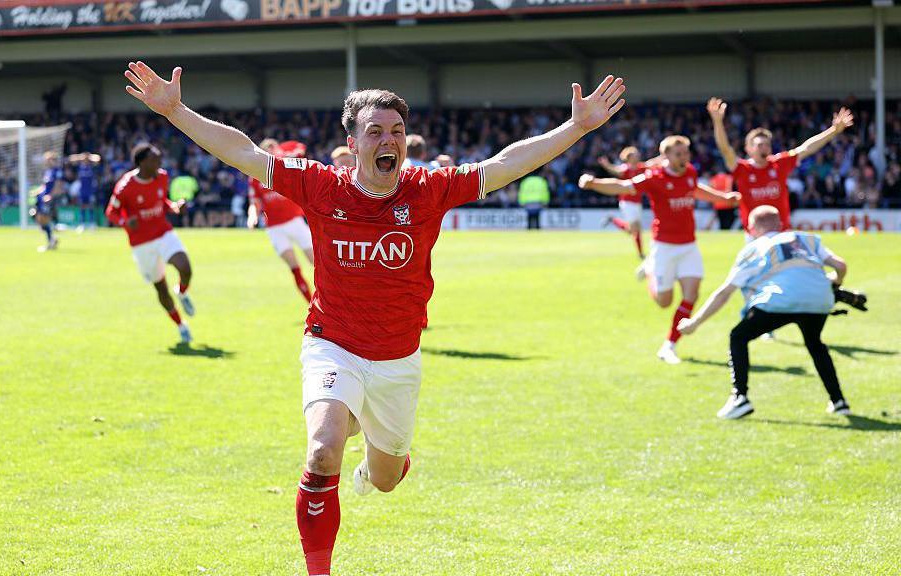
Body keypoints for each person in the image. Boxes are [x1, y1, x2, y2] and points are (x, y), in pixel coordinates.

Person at [123, 60, 625, 576]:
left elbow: (504, 164)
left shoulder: (427, 190)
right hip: (331, 341)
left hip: (397, 360)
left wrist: (577, 127)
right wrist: (177, 111)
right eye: (376, 131)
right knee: (322, 452)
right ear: (354, 142)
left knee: (385, 480)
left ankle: (373, 443)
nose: (390, 140)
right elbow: (244, 153)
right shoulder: (320, 186)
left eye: (398, 132)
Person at [676, 206, 852, 419]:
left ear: (751, 228)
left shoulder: (754, 247)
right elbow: (840, 265)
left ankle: (739, 397)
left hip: (780, 299)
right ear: (780, 225)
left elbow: (724, 293)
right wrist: (834, 283)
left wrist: (694, 323)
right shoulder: (805, 238)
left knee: (738, 337)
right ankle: (839, 401)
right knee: (815, 344)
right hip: (820, 299)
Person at [579, 135, 740, 365]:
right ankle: (651, 270)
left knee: (691, 296)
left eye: (686, 153)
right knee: (665, 302)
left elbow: (696, 190)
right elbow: (623, 186)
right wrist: (594, 183)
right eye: (679, 154)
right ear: (665, 156)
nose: (684, 158)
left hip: (688, 246)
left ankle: (669, 345)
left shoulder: (690, 172)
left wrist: (723, 198)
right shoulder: (654, 177)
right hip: (664, 247)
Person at [707, 98, 853, 238]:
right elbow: (725, 149)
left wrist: (834, 130)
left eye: (767, 144)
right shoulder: (741, 168)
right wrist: (718, 121)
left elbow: (807, 148)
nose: (764, 148)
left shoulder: (780, 163)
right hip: (754, 236)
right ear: (748, 148)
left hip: (782, 233)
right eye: (759, 145)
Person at [105, 143, 195, 344]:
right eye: (156, 159)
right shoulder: (125, 186)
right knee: (161, 289)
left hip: (163, 232)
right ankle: (181, 326)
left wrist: (174, 207)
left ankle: (182, 292)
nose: (160, 162)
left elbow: (162, 202)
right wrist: (125, 222)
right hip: (141, 243)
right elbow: (111, 212)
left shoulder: (162, 176)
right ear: (143, 162)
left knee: (185, 267)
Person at [247, 140, 315, 302]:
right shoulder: (256, 177)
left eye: (272, 149)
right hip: (275, 228)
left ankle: (328, 302)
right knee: (294, 268)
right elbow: (254, 202)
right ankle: (312, 305)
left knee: (317, 263)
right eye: (266, 150)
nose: (270, 152)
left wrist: (286, 154)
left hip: (295, 221)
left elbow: (301, 150)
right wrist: (252, 216)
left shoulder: (287, 167)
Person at [598, 146, 649, 258]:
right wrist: (607, 165)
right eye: (635, 154)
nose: (638, 155)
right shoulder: (626, 169)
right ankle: (640, 254)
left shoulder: (641, 167)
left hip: (637, 202)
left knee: (635, 230)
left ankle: (613, 220)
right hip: (627, 202)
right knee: (635, 228)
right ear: (629, 157)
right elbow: (616, 171)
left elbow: (652, 163)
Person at [31, 152, 63, 251]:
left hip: (48, 199)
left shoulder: (57, 171)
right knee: (35, 215)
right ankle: (52, 238)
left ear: (53, 160)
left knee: (43, 219)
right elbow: (44, 186)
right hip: (41, 198)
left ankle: (51, 241)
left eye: (48, 159)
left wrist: (50, 196)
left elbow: (58, 186)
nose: (46, 161)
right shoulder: (48, 171)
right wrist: (37, 191)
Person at [67, 152, 102, 231]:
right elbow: (70, 158)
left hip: (90, 190)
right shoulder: (80, 166)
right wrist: (81, 157)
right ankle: (82, 224)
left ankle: (92, 223)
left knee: (91, 206)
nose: (85, 159)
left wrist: (89, 157)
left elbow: (98, 158)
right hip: (82, 190)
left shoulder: (91, 166)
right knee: (82, 206)